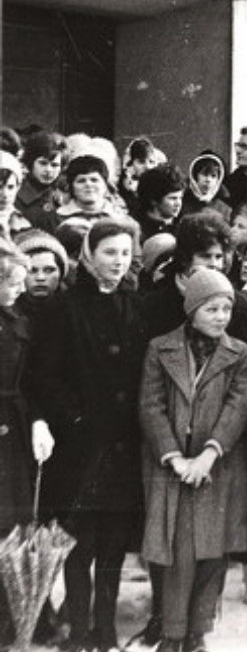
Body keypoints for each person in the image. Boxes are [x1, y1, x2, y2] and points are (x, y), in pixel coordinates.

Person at [31, 217, 147, 652]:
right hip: (80, 447)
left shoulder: (134, 305)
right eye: (109, 252)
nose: (118, 261)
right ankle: (79, 631)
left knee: (114, 544)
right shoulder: (64, 308)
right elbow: (44, 376)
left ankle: (106, 630)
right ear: (89, 255)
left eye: (124, 253)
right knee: (80, 543)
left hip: (123, 444)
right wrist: (75, 419)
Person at [138, 268, 247, 652]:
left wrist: (208, 454)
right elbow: (151, 406)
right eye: (211, 309)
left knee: (213, 552)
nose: (221, 317)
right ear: (192, 311)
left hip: (217, 467)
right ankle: (173, 634)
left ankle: (198, 632)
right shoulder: (161, 349)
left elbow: (237, 407)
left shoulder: (239, 353)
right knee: (177, 553)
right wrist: (175, 458)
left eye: (226, 309)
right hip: (171, 468)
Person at [0, 239, 55, 647]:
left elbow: (30, 379)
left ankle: (17, 616)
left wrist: (37, 421)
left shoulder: (18, 318)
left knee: (15, 521)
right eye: (13, 281)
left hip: (14, 426)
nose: (21, 288)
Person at [16, 130, 66, 226]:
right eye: (43, 163)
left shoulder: (64, 195)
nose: (48, 170)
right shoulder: (15, 194)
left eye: (54, 165)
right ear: (31, 162)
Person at [15, 229, 68, 318]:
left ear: (61, 273)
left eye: (49, 270)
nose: (40, 278)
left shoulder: (77, 311)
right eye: (32, 270)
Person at [135, 164, 186, 242]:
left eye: (180, 198)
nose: (178, 204)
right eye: (173, 198)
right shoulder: (138, 230)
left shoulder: (185, 225)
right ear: (153, 201)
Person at [180, 150, 231, 220]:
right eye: (204, 174)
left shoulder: (225, 210)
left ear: (218, 180)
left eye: (213, 176)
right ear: (195, 176)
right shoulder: (181, 204)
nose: (208, 180)